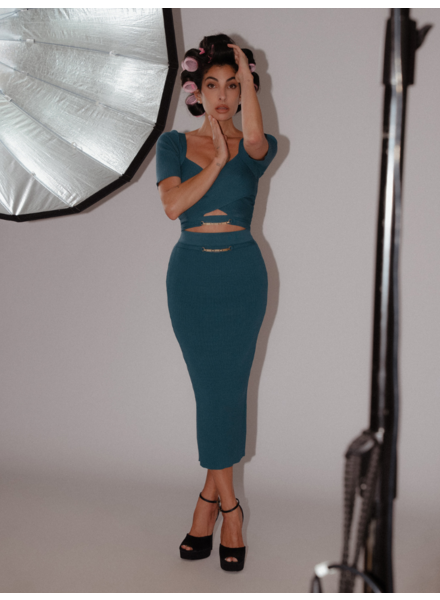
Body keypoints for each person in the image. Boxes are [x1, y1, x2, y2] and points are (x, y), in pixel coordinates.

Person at [156, 34, 277, 573]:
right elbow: (172, 205)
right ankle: (229, 507)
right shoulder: (173, 145)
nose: (224, 95)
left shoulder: (260, 146)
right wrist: (214, 159)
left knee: (228, 390)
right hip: (192, 279)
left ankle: (211, 504)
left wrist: (249, 82)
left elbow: (252, 142)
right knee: (212, 392)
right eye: (213, 85)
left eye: (234, 85)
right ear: (197, 92)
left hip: (242, 278)